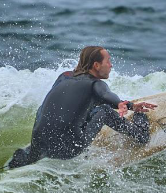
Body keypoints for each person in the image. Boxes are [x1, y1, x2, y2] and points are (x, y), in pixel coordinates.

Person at [8, 46, 157, 169]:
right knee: (104, 110)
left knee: (48, 108)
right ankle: (141, 134)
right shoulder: (95, 83)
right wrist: (124, 105)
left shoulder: (64, 76)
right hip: (68, 148)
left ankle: (26, 157)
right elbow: (105, 95)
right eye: (108, 61)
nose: (111, 65)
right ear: (96, 65)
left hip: (39, 146)